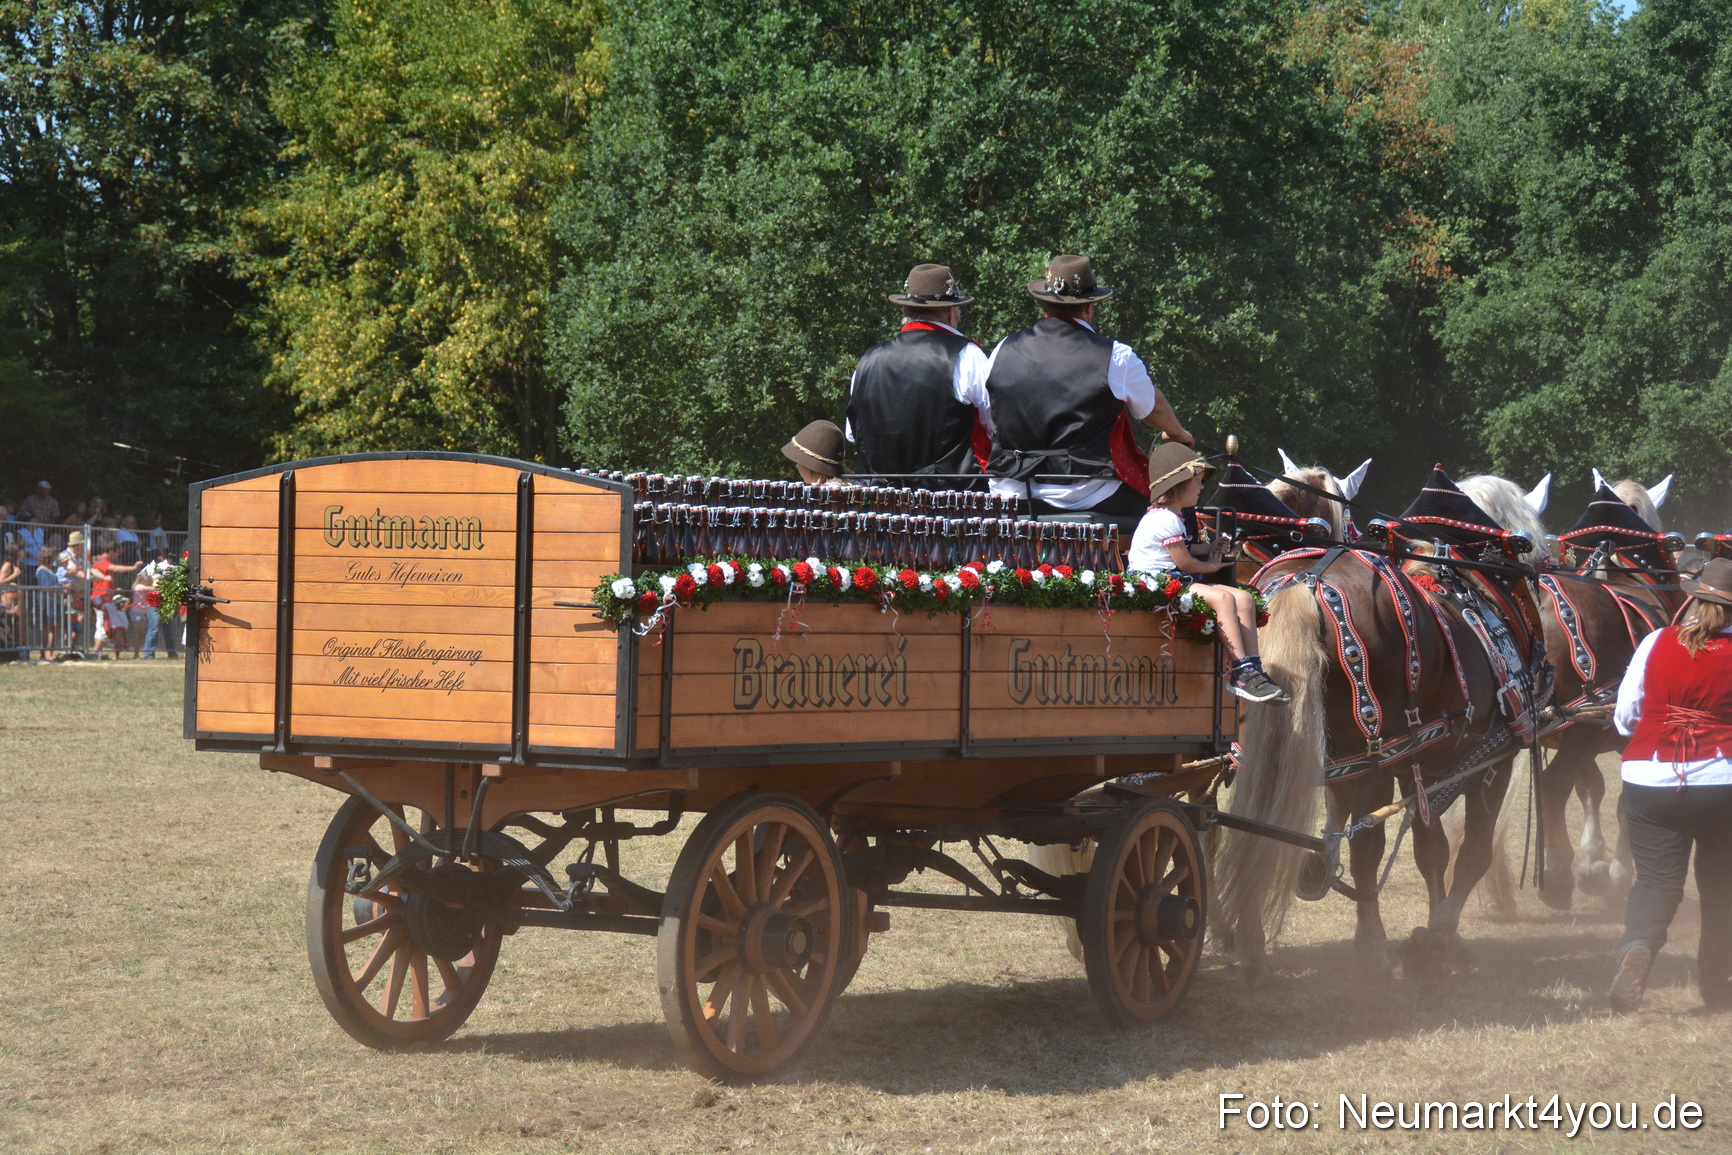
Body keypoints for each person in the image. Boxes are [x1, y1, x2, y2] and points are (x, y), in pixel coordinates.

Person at [1608, 556, 1732, 1014]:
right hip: (1723, 781)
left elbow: (1625, 717)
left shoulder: (1656, 641)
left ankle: (1637, 947)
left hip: (1649, 776)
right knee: (1723, 887)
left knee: (1657, 882)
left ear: (1695, 600)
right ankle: (1718, 985)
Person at [984, 255, 1193, 518]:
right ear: (1090, 306)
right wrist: (1179, 435)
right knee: (1177, 505)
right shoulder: (1115, 356)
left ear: (1044, 305)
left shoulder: (1002, 349)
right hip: (1084, 492)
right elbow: (1153, 407)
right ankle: (1189, 556)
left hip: (1010, 492)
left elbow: (991, 410)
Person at [1128, 444, 1287, 704]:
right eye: (1198, 482)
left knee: (1244, 599)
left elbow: (1185, 549)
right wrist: (1211, 567)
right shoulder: (1164, 519)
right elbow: (1188, 564)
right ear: (1179, 485)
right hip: (1156, 582)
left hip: (1174, 578)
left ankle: (1254, 670)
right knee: (1224, 599)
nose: (1202, 488)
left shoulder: (1171, 516)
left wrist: (1212, 547)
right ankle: (1241, 671)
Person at [845, 263, 993, 487]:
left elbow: (853, 434)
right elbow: (996, 424)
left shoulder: (867, 360)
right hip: (952, 504)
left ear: (906, 311)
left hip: (886, 504)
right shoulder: (966, 354)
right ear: (951, 312)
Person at [780, 420, 852, 487]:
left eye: (799, 462)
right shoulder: (852, 486)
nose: (797, 466)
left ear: (813, 469)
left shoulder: (822, 495)